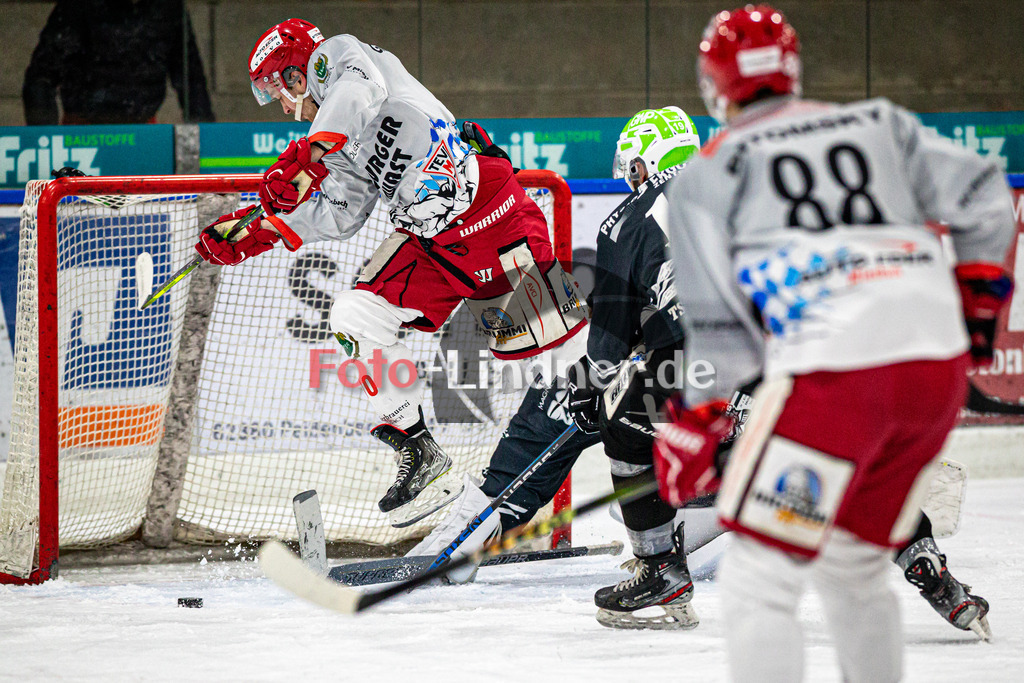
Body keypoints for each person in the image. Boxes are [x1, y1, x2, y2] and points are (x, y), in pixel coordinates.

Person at [653, 5, 1012, 681]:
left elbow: (721, 338)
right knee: (853, 564)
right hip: (933, 380)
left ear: (715, 84)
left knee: (762, 577)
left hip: (839, 386)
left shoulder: (707, 173)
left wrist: (691, 429)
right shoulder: (878, 122)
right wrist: (978, 314)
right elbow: (987, 195)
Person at [193, 19, 587, 530]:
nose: (287, 109)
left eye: (280, 92)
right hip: (432, 245)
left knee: (576, 367)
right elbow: (340, 213)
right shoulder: (337, 145)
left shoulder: (337, 59)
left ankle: (673, 442)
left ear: (296, 73)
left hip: (493, 217)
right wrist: (260, 231)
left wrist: (305, 160)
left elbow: (356, 94)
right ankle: (420, 453)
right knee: (356, 314)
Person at [22, 0, 214, 125]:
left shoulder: (169, 8)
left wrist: (204, 140)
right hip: (83, 134)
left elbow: (191, 79)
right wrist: (45, 141)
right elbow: (40, 78)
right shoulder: (78, 6)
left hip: (144, 132)